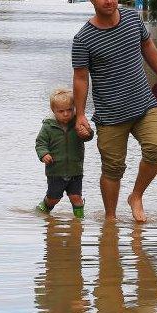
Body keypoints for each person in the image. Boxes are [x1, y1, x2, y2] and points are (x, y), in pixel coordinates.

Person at [72, 0, 157, 223]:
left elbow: (147, 46)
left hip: (144, 105)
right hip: (110, 114)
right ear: (92, 0)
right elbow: (81, 78)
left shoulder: (131, 18)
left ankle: (136, 195)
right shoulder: (83, 38)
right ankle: (110, 220)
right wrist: (81, 114)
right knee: (113, 169)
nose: (109, 1)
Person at [35, 88, 94, 218]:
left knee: (76, 198)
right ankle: (42, 210)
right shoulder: (48, 126)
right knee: (53, 199)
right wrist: (44, 154)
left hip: (75, 170)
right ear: (53, 111)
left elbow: (88, 137)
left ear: (74, 108)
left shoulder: (78, 123)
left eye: (69, 110)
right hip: (55, 170)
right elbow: (40, 143)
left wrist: (87, 133)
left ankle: (79, 221)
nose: (66, 114)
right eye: (61, 111)